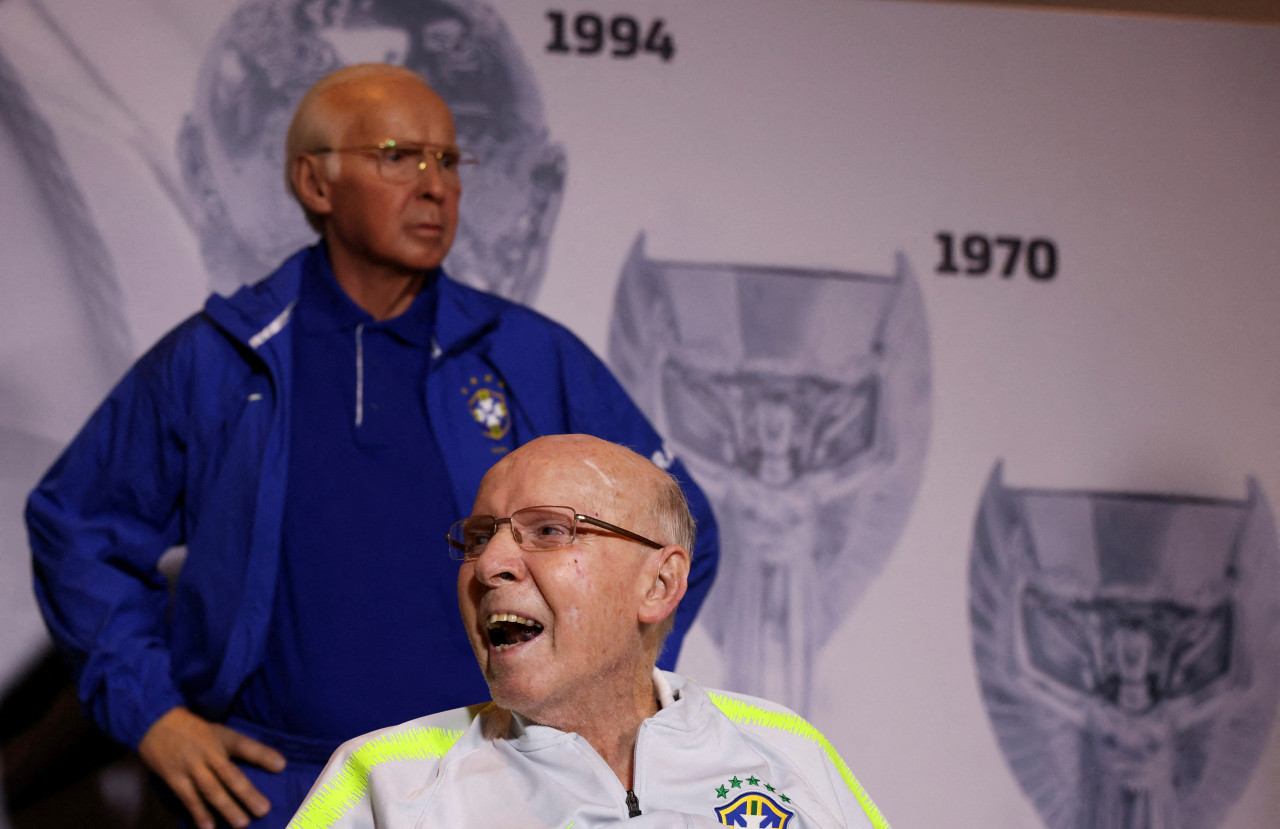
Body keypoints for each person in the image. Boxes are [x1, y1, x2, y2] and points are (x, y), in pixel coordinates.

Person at [26, 64, 718, 829]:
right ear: (315, 183)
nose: (436, 186)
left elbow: (678, 530)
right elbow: (77, 528)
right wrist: (155, 716)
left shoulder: (529, 357)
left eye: (450, 161)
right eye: (398, 155)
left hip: (492, 789)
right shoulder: (222, 359)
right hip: (270, 793)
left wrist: (602, 692)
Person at [289, 434, 888, 829]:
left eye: (549, 531)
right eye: (478, 538)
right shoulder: (388, 781)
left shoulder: (785, 748)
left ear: (659, 584)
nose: (490, 564)